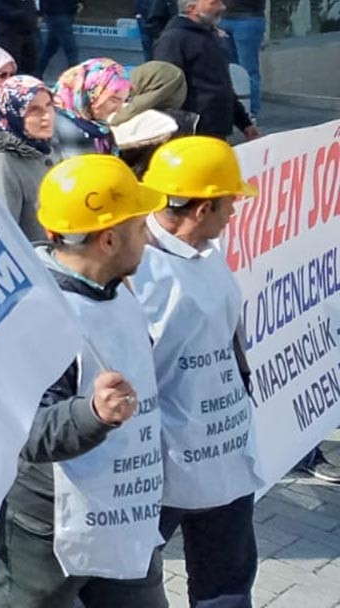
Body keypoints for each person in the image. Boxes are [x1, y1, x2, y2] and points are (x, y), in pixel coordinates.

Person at [0, 154, 166, 608]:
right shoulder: (40, 313)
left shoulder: (116, 287)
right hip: (50, 529)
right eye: (140, 226)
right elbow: (26, 432)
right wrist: (92, 414)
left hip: (127, 514)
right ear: (108, 239)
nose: (149, 236)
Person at [133, 137, 265, 607]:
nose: (235, 210)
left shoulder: (205, 252)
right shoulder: (138, 270)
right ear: (202, 207)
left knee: (226, 584)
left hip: (223, 453)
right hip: (161, 465)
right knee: (127, 584)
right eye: (231, 200)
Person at [153, 0, 259, 142]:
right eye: (214, 2)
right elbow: (165, 91)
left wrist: (245, 124)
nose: (222, 7)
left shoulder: (211, 35)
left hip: (215, 129)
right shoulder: (174, 39)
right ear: (191, 8)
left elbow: (223, 84)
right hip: (191, 134)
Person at [0, 76, 57, 241]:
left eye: (49, 105)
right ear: (11, 114)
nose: (47, 116)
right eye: (34, 110)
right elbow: (3, 235)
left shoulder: (45, 147)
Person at [216, 0, 272, 125]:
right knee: (229, 67)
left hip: (248, 19)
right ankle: (233, 108)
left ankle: (252, 111)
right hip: (228, 17)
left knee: (248, 68)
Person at [52, 59, 131, 159]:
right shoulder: (55, 128)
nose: (119, 109)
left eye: (123, 101)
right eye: (114, 100)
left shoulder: (99, 130)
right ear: (90, 93)